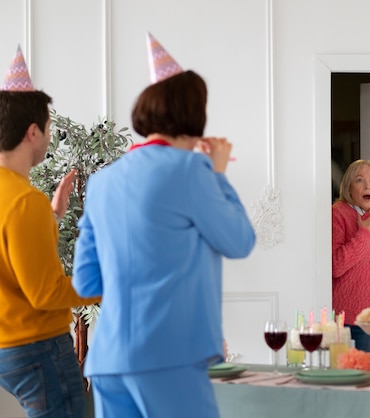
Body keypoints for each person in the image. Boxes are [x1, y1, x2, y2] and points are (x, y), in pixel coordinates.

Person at [71, 34, 256, 418]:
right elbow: (239, 241)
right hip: (169, 357)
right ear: (194, 116)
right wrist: (219, 174)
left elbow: (86, 284)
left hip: (108, 362)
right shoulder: (192, 170)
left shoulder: (101, 182)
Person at [0, 45, 100, 418]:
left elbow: (12, 260)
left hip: (8, 348)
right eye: (48, 130)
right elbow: (46, 293)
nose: (49, 138)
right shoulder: (25, 201)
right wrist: (105, 289)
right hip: (38, 348)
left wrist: (53, 216)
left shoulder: (17, 199)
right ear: (32, 132)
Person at [332, 159, 370, 351]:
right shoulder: (337, 214)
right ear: (349, 188)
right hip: (343, 322)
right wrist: (364, 233)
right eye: (359, 180)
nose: (368, 185)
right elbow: (335, 266)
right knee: (346, 379)